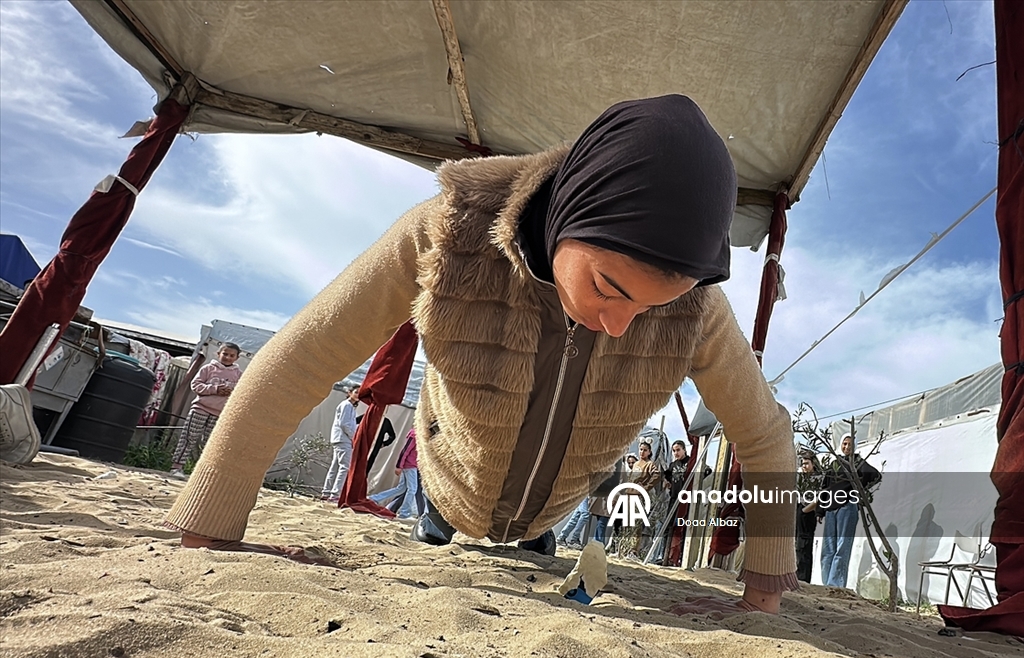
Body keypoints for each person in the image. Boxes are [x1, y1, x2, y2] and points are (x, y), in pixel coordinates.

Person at [164, 95, 797, 616]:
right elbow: (302, 357)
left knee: (536, 537)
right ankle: (441, 516)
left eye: (655, 305)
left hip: (551, 515)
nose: (619, 325)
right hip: (446, 492)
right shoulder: (449, 233)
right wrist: (213, 522)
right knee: (442, 515)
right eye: (609, 287)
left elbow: (765, 436)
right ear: (570, 211)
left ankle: (534, 529)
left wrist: (763, 588)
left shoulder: (697, 312)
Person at [170, 343, 241, 478]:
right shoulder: (208, 369)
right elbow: (195, 385)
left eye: (231, 355)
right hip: (201, 408)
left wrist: (230, 392)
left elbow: (242, 393)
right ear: (218, 354)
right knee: (189, 437)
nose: (227, 357)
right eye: (225, 354)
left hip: (220, 414)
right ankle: (176, 467)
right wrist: (214, 389)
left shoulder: (239, 375)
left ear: (237, 358)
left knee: (211, 443)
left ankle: (203, 472)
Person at [819, 434, 881, 588]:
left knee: (842, 547)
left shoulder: (858, 464)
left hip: (847, 507)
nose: (847, 447)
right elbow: (825, 488)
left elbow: (875, 475)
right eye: (844, 444)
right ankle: (826, 585)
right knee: (828, 549)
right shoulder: (835, 464)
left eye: (850, 445)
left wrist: (856, 490)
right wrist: (820, 510)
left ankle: (836, 585)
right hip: (831, 509)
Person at [368, 428, 421, 519]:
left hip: (411, 465)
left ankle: (374, 498)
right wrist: (399, 466)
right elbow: (405, 450)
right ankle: (405, 513)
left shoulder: (419, 434)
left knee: (401, 488)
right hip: (409, 465)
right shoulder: (414, 434)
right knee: (412, 489)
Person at [321, 387, 359, 503]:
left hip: (341, 438)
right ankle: (335, 494)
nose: (358, 395)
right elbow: (344, 424)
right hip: (343, 439)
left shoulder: (350, 407)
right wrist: (353, 438)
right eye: (356, 392)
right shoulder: (346, 405)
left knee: (335, 466)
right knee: (344, 467)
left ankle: (326, 492)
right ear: (349, 393)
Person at [795, 451, 823, 583]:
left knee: (804, 545)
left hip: (808, 512)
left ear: (813, 463)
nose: (804, 466)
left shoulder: (819, 478)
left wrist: (806, 510)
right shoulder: (802, 477)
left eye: (806, 463)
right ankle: (796, 574)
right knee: (797, 545)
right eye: (802, 464)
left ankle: (803, 578)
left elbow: (819, 498)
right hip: (799, 508)